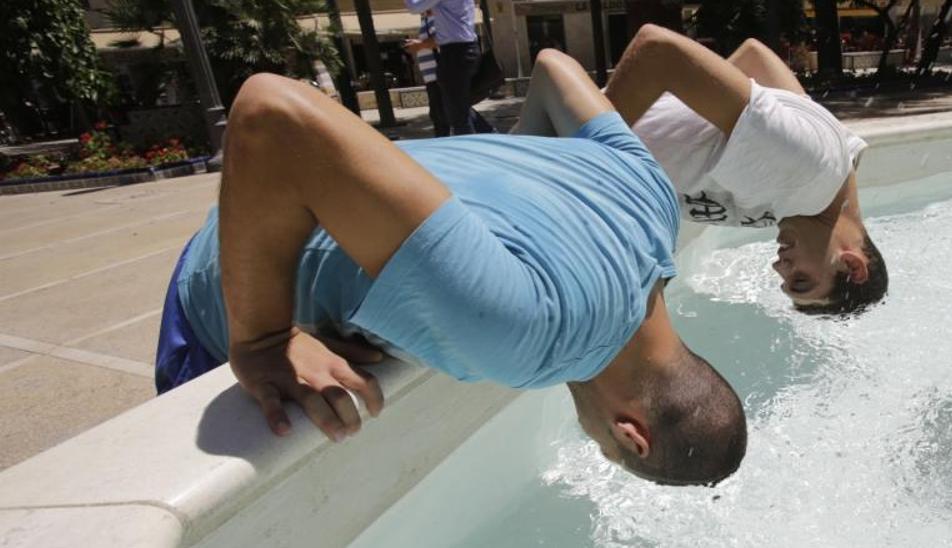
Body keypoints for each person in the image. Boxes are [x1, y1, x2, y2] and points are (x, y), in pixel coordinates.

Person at [154, 49, 747, 486]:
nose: (595, 443)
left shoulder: (655, 203)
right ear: (631, 435)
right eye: (606, 451)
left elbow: (555, 68)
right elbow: (268, 112)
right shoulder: (523, 340)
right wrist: (263, 338)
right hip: (225, 274)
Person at [605, 25, 888, 316]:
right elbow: (658, 51)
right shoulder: (806, 167)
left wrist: (691, 112)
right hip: (561, 149)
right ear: (852, 265)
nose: (778, 267)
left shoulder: (808, 191)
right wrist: (579, 156)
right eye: (800, 280)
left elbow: (755, 57)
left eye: (785, 281)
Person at [402, 8, 493, 136]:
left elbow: (443, 39)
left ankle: (486, 134)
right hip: (434, 75)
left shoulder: (436, 14)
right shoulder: (426, 17)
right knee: (450, 112)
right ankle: (488, 133)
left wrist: (419, 45)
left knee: (445, 114)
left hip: (439, 74)